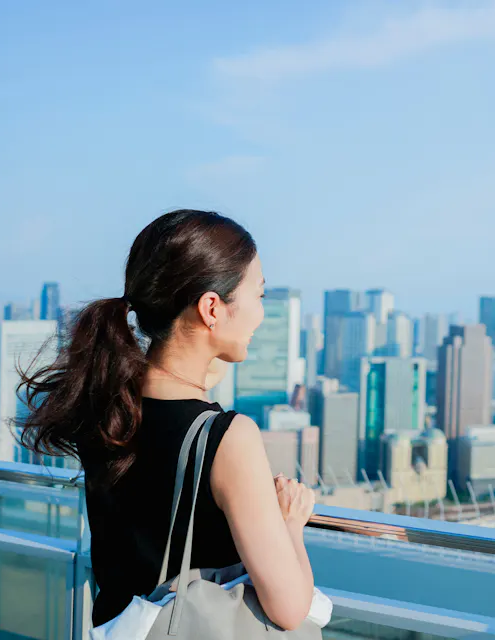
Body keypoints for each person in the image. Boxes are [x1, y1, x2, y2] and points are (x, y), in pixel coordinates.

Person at [18, 209, 317, 630]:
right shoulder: (228, 438)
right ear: (212, 307)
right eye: (259, 295)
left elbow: (186, 382)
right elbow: (289, 610)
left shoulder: (105, 405)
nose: (261, 314)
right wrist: (291, 524)